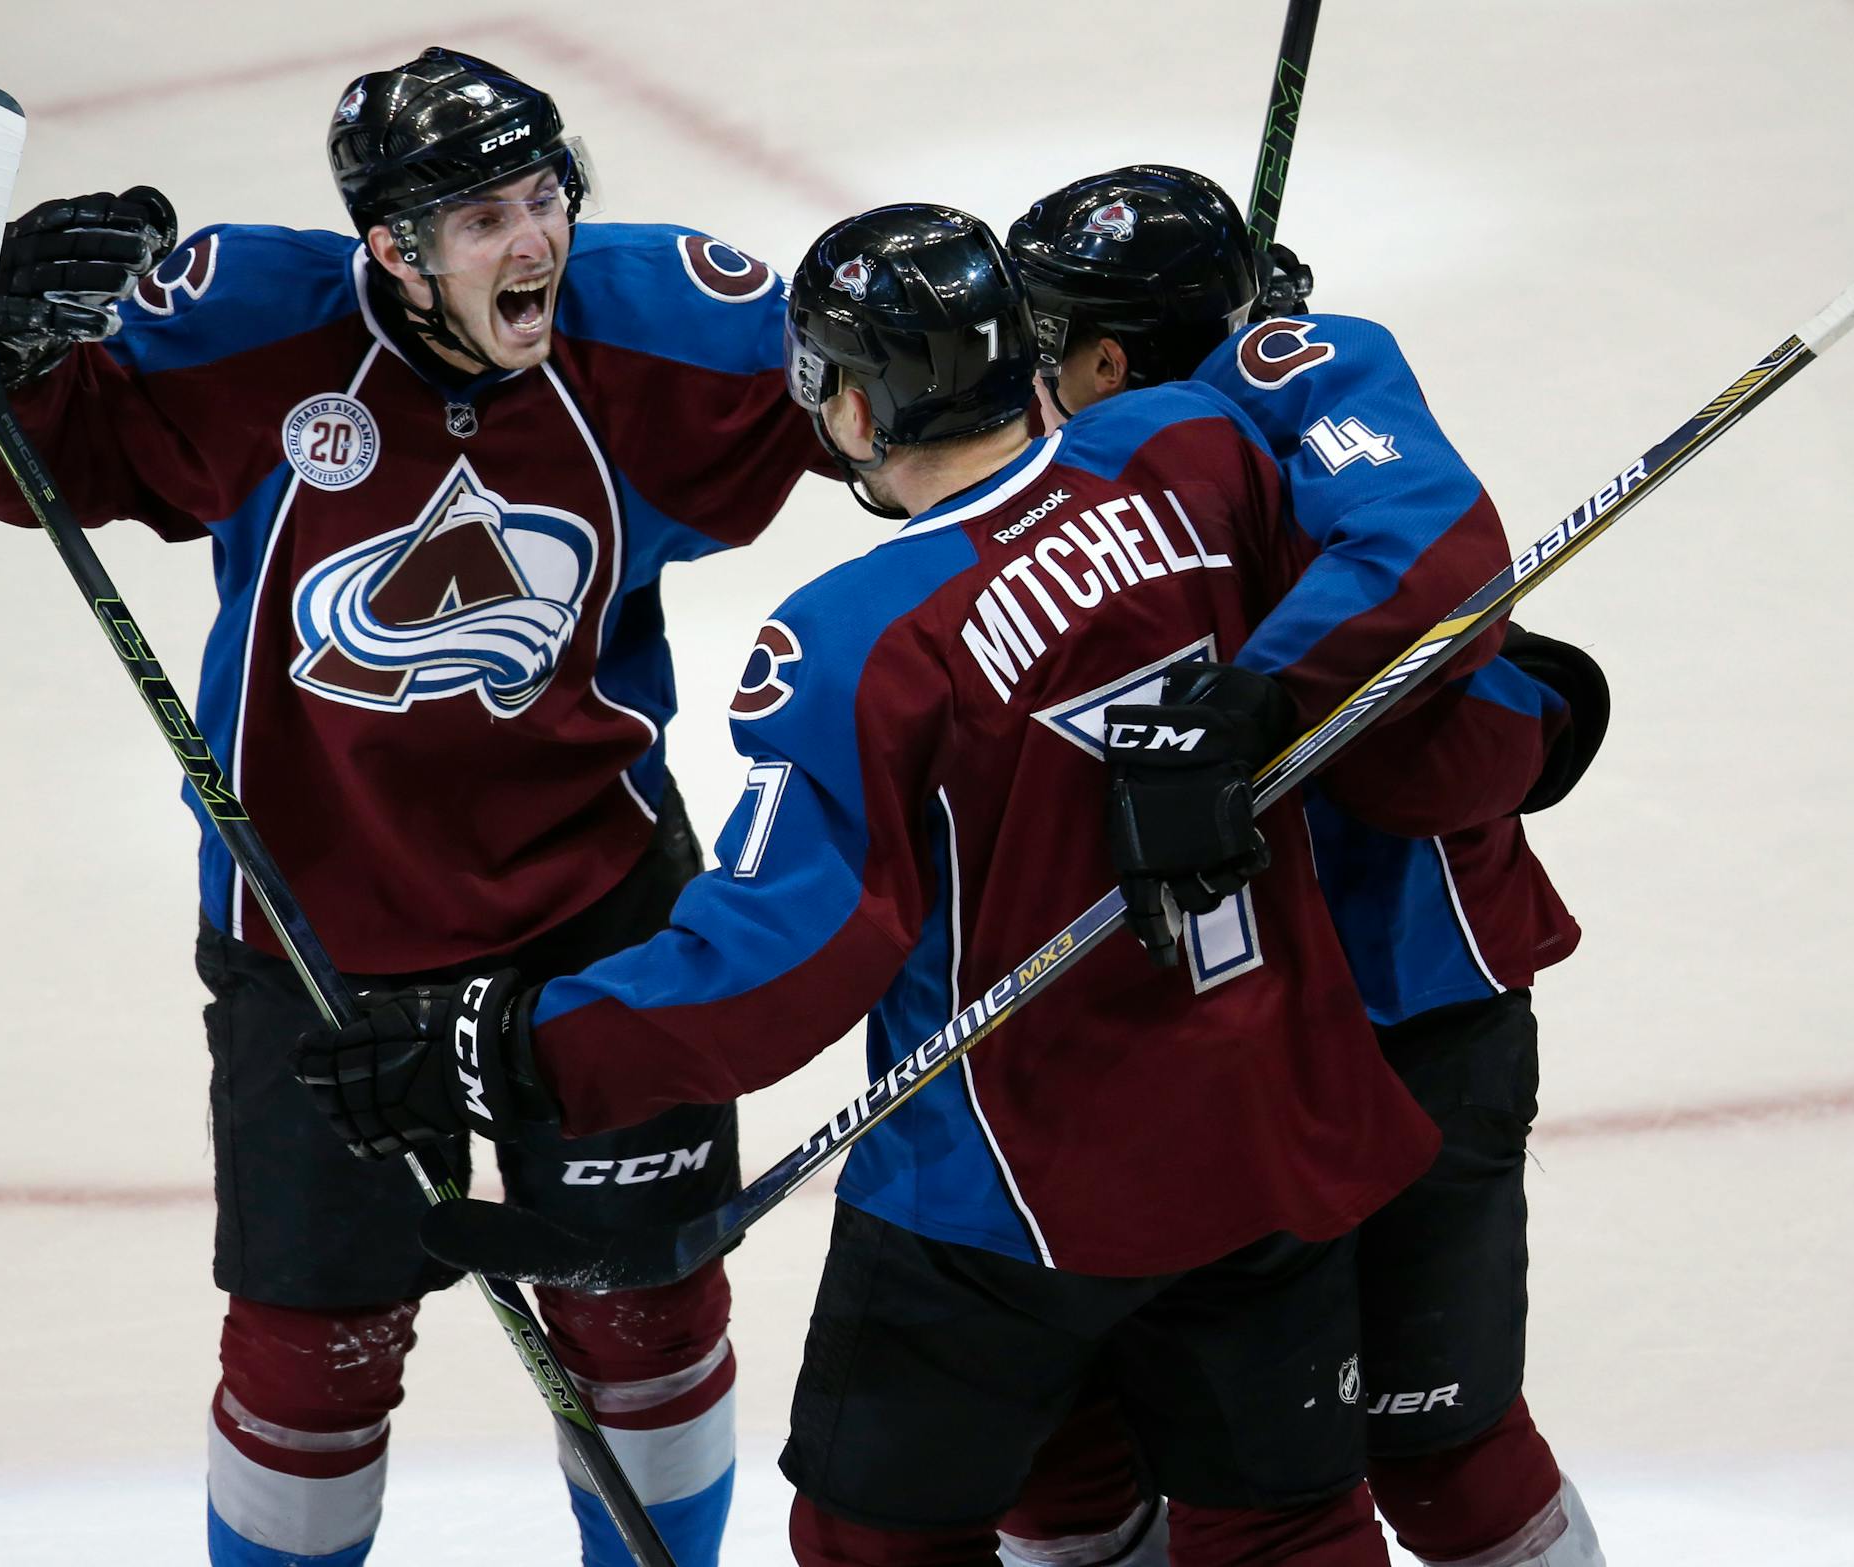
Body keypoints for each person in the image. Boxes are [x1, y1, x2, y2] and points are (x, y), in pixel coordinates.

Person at [291, 202, 1559, 1567]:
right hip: (1271, 1145)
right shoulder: (1197, 454)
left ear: (852, 407)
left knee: (874, 1540)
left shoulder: (855, 637)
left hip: (1002, 1198)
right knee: (1285, 1530)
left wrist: (511, 1049)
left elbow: (778, 964)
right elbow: (1400, 541)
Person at [0, 46, 833, 1567]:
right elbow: (7, 457)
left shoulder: (661, 326)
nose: (534, 239)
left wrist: (1145, 343)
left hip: (591, 906)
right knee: (312, 1358)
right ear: (390, 251)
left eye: (544, 198)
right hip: (315, 930)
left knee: (646, 1316)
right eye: (480, 221)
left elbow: (903, 398)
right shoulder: (253, 332)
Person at [995, 165, 1609, 1567]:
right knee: (1127, 1451)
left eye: (1051, 340)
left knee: (1440, 1445)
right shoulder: (1060, 469)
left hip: (1406, 1009)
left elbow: (1424, 542)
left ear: (1103, 354)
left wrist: (1259, 697)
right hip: (1181, 1038)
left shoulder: (1294, 377)